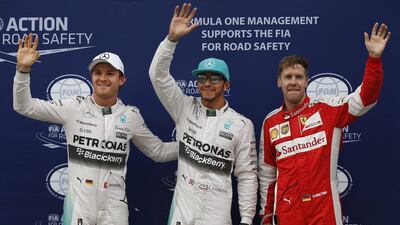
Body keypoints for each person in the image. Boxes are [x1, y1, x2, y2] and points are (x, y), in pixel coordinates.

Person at [13, 34, 178, 225]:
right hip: (79, 206)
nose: (102, 78)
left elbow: (158, 151)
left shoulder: (130, 116)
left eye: (110, 73)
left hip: (115, 208)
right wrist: (23, 70)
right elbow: (24, 107)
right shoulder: (72, 108)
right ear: (91, 77)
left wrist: (196, 145)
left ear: (121, 79)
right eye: (97, 73)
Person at [258, 23, 391, 225]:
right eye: (288, 77)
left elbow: (366, 98)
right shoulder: (270, 122)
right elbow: (268, 175)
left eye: (299, 77)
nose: (293, 82)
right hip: (287, 212)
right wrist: (267, 216)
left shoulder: (328, 110)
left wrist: (374, 59)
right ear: (279, 82)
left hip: (323, 209)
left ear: (307, 81)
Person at [149, 3, 257, 225]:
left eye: (214, 78)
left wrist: (246, 219)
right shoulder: (184, 107)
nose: (207, 83)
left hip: (217, 212)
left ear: (226, 85)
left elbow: (246, 175)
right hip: (183, 210)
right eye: (202, 78)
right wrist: (171, 40)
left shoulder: (242, 124)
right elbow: (157, 76)